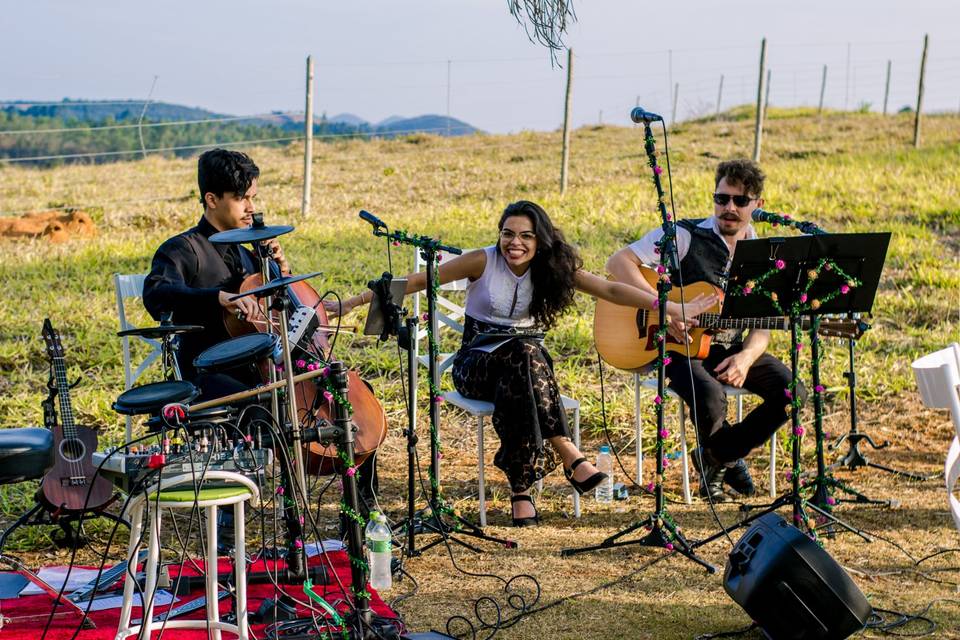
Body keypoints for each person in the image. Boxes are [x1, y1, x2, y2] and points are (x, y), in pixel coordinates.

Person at [327, 200, 715, 526]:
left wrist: (667, 307)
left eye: (525, 235)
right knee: (525, 358)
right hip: (475, 363)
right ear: (499, 235)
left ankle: (521, 489)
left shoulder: (551, 267)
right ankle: (568, 452)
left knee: (524, 360)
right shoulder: (481, 260)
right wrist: (346, 305)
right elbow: (414, 282)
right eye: (508, 233)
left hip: (522, 371)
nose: (515, 242)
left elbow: (611, 288)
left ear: (539, 240)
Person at [606, 158, 807, 501]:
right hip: (678, 348)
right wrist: (663, 307)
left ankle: (717, 455)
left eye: (740, 201)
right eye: (722, 198)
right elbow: (617, 263)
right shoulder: (684, 235)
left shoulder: (763, 254)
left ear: (759, 205)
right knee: (711, 395)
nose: (729, 208)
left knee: (795, 394)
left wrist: (745, 357)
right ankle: (723, 465)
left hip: (731, 349)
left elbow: (761, 325)